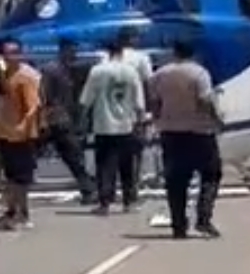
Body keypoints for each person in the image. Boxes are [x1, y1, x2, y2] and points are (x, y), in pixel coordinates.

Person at [148, 39, 223, 239]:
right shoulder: (199, 73)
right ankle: (203, 218)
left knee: (176, 181)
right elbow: (205, 100)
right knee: (211, 175)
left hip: (171, 133)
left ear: (175, 52)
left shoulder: (160, 74)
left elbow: (154, 102)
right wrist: (216, 119)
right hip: (200, 132)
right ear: (193, 53)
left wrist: (158, 119)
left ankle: (178, 225)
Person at [79, 40, 146, 215]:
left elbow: (86, 99)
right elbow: (139, 101)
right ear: (122, 52)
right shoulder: (131, 71)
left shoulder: (97, 71)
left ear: (108, 52)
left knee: (104, 166)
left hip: (104, 124)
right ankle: (129, 201)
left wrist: (83, 120)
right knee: (127, 166)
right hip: (126, 124)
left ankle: (105, 202)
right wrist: (140, 121)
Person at [0, 37, 41, 230]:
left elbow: (33, 107)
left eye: (16, 53)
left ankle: (22, 214)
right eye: (8, 53)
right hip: (5, 131)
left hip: (21, 134)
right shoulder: (4, 75)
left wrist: (25, 129)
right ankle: (11, 211)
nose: (13, 57)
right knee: (10, 177)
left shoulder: (26, 76)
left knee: (21, 178)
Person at [39, 38, 95, 205]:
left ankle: (88, 188)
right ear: (63, 50)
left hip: (65, 118)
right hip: (57, 118)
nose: (74, 54)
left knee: (73, 156)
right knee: (72, 155)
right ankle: (88, 188)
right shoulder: (52, 70)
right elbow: (45, 95)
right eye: (71, 50)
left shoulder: (68, 69)